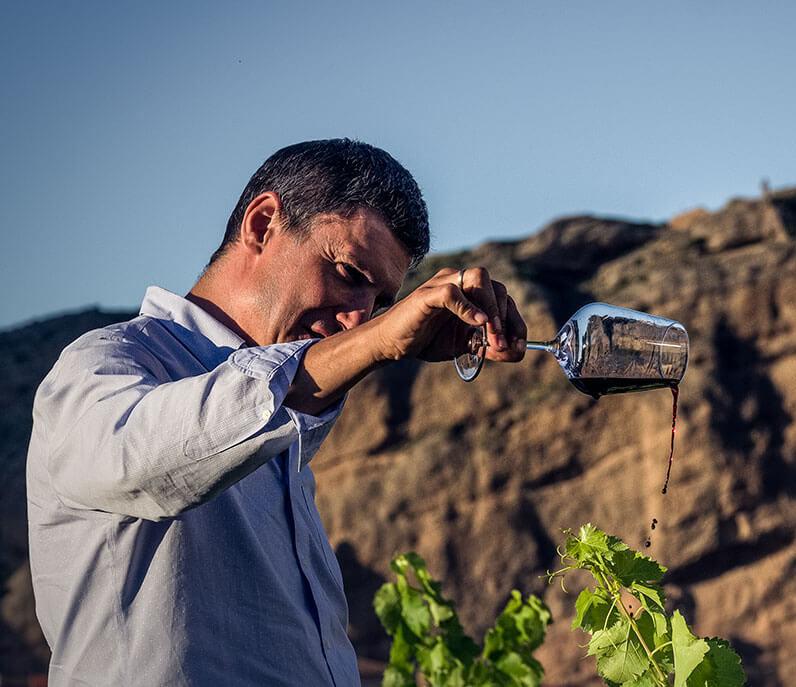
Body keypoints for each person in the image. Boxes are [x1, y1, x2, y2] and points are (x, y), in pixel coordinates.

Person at [26, 139, 527, 686]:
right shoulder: (107, 363)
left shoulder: (284, 436)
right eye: (349, 273)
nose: (358, 320)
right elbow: (135, 460)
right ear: (262, 224)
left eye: (380, 304)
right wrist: (379, 341)